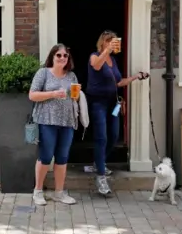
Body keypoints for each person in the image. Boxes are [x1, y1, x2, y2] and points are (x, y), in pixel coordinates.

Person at [86, 31, 148, 195]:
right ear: (103, 42)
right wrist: (107, 51)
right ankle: (100, 177)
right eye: (109, 41)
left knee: (114, 135)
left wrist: (136, 76)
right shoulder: (94, 56)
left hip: (114, 103)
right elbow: (97, 66)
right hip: (98, 103)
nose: (112, 43)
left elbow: (119, 82)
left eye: (114, 41)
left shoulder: (113, 60)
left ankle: (98, 163)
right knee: (101, 137)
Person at [29, 44, 81, 206]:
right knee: (45, 156)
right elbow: (32, 95)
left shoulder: (71, 76)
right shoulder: (43, 73)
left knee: (62, 158)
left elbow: (75, 97)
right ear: (52, 57)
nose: (62, 58)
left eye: (65, 56)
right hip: (47, 121)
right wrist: (52, 94)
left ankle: (59, 192)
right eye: (59, 55)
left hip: (67, 121)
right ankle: (38, 191)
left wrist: (76, 95)